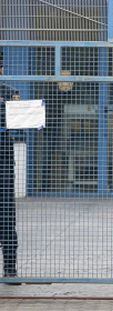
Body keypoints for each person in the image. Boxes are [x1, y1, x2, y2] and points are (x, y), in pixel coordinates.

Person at [0, 79, 19, 279]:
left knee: (6, 216)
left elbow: (18, 123)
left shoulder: (10, 92)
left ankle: (10, 268)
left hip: (3, 163)